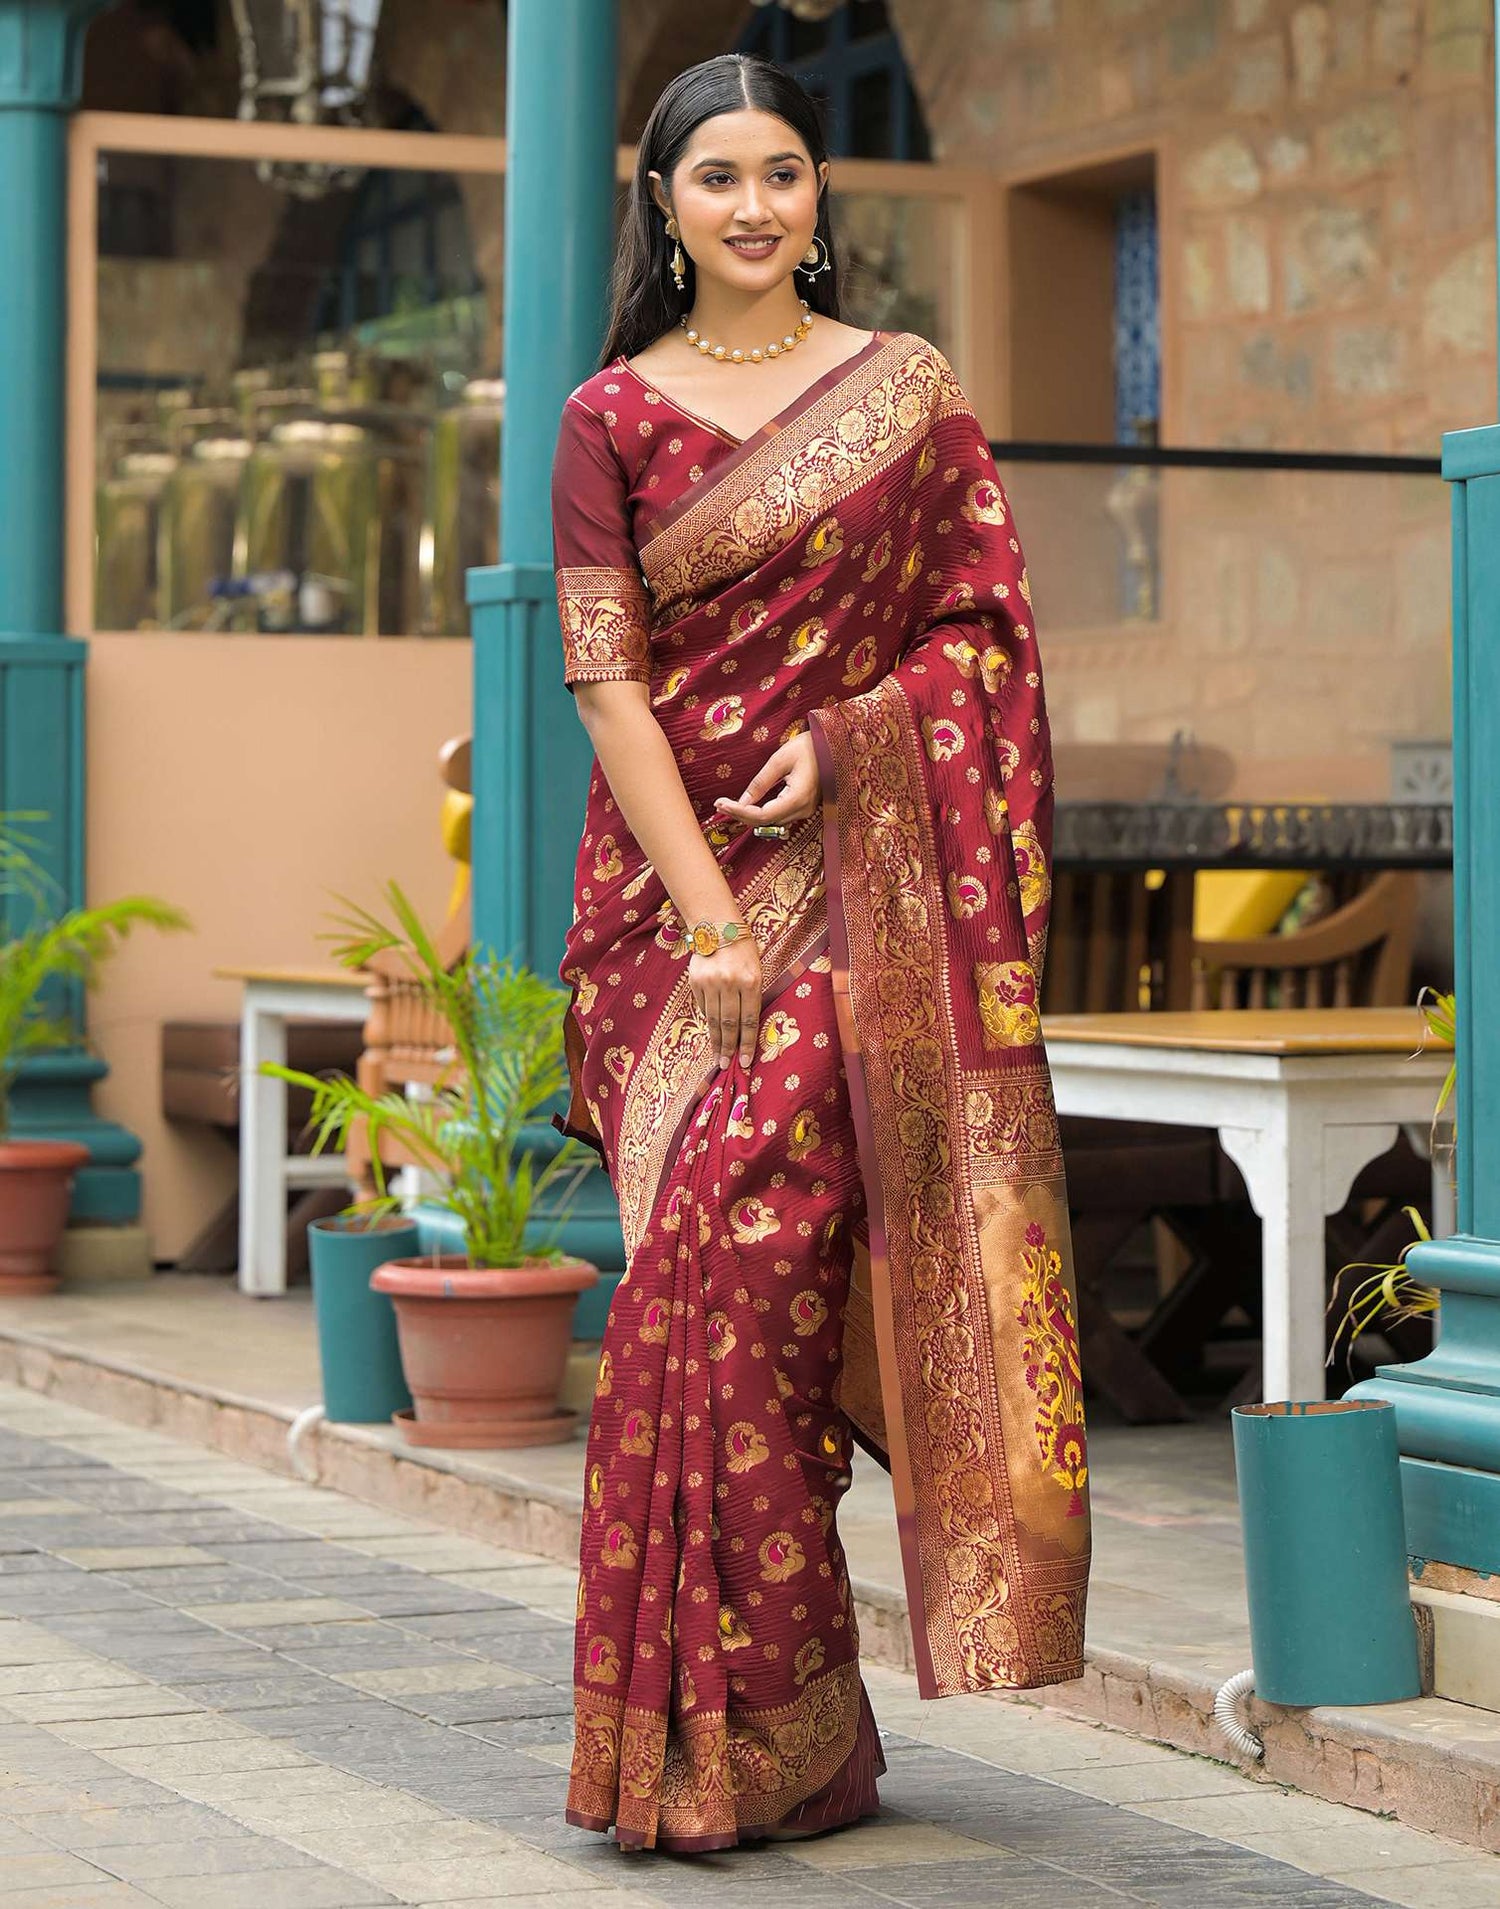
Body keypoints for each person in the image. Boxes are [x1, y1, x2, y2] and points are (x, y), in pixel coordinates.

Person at [550, 52, 1090, 1855]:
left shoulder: (907, 397)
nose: (757, 205)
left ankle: (782, 1733)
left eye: (785, 171)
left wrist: (859, 737)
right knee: (681, 1305)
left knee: (762, 1296)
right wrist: (709, 921)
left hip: (855, 899)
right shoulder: (606, 416)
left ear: (820, 203)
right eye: (719, 178)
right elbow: (608, 684)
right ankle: (718, 1743)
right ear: (665, 207)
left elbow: (984, 639)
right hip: (669, 925)